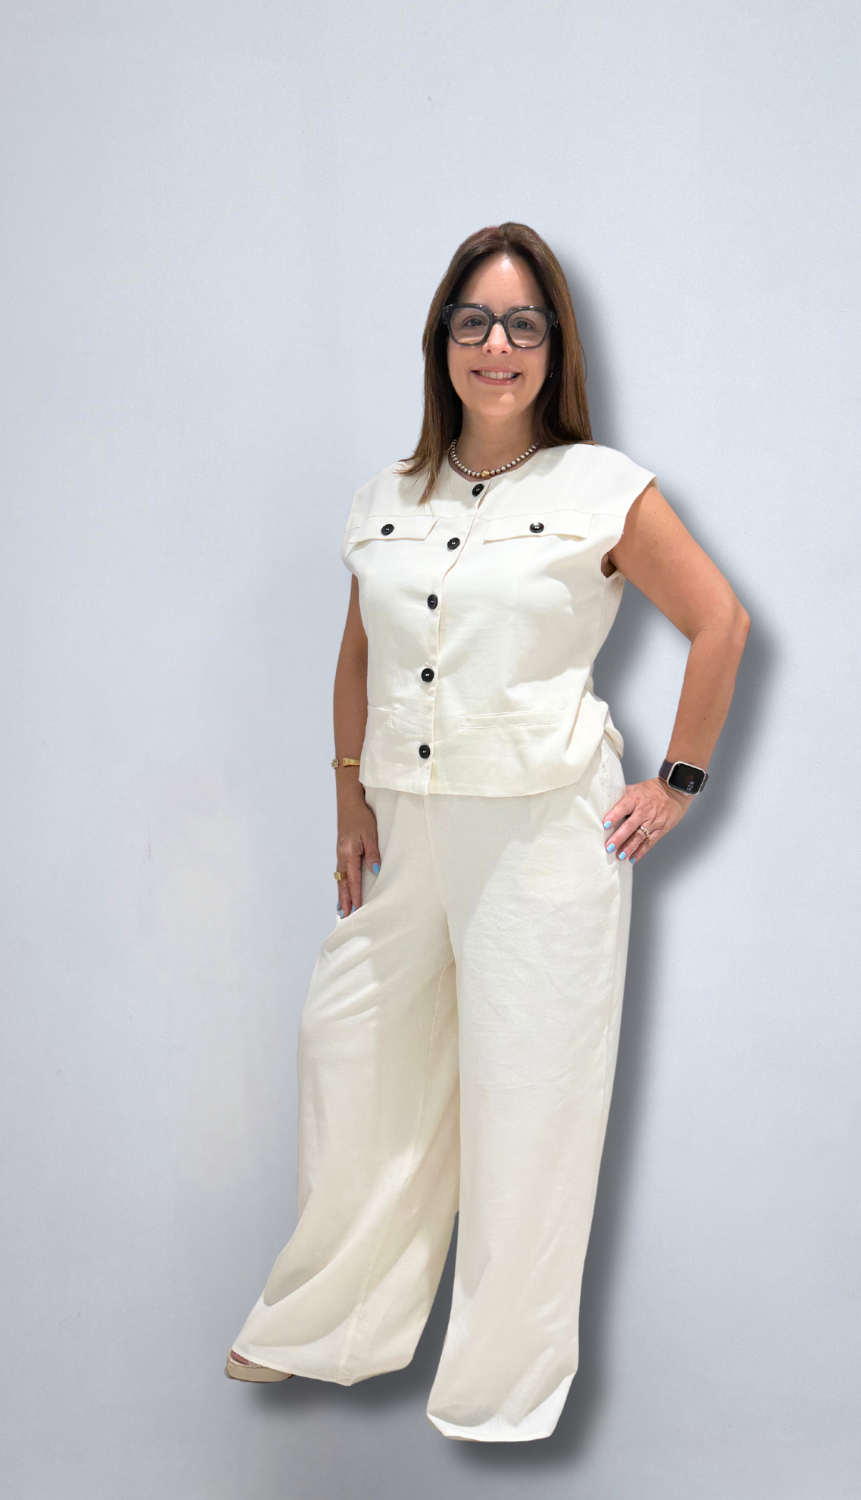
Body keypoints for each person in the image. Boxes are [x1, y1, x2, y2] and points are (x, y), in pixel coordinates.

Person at [225, 222, 750, 1442]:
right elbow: (357, 656)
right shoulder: (385, 498)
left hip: (543, 840)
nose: (496, 345)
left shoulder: (602, 488)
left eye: (522, 324)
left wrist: (677, 781)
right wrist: (348, 796)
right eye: (473, 322)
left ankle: (499, 1390)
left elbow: (719, 622)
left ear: (553, 345)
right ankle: (326, 1325)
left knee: (529, 1109)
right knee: (352, 1060)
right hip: (408, 835)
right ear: (442, 343)